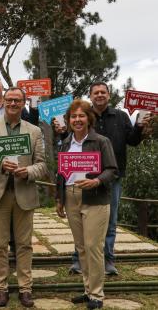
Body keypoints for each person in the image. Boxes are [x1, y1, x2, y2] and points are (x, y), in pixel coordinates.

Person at [54, 82, 150, 275]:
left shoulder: (121, 116)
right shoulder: (83, 115)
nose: (99, 95)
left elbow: (132, 140)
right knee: (80, 221)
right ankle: (79, 260)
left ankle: (108, 260)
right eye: (95, 92)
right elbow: (72, 141)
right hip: (82, 176)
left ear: (109, 95)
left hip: (112, 176)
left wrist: (139, 127)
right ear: (90, 95)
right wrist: (61, 130)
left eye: (103, 92)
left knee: (110, 221)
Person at [0, 88, 47, 308]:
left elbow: (43, 164)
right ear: (4, 101)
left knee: (24, 245)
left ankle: (25, 289)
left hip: (23, 192)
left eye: (17, 100)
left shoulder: (34, 130)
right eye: (9, 100)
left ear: (24, 103)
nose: (13, 103)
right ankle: (1, 288)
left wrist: (29, 172)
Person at [55, 99, 118, 310]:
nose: (77, 120)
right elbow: (61, 174)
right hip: (71, 196)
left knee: (93, 247)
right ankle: (87, 290)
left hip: (95, 198)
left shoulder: (101, 141)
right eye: (73, 116)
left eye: (81, 116)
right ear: (69, 120)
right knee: (81, 247)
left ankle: (97, 295)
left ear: (88, 118)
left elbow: (112, 170)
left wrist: (96, 180)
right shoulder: (65, 142)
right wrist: (59, 199)